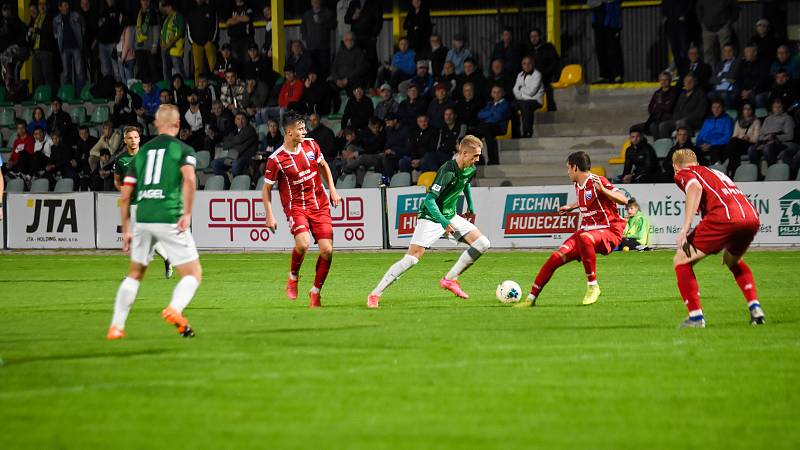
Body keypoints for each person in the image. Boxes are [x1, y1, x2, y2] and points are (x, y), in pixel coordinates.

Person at [106, 105, 202, 340]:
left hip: (143, 216)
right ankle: (174, 309)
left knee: (135, 273)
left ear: (156, 125)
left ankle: (116, 327)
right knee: (193, 273)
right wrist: (187, 213)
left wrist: (127, 228)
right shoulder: (182, 149)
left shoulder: (142, 153)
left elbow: (125, 194)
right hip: (169, 215)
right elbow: (190, 180)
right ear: (178, 125)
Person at [367, 135, 490, 308]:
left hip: (450, 215)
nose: (478, 159)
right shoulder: (447, 171)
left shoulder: (470, 168)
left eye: (478, 155)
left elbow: (466, 182)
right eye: (475, 155)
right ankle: (374, 294)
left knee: (482, 243)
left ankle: (449, 280)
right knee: (411, 259)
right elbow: (429, 200)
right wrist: (442, 222)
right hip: (432, 217)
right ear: (463, 153)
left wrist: (470, 204)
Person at [516, 151, 628, 308]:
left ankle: (593, 286)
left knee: (585, 238)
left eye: (568, 168)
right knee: (555, 257)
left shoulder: (598, 181)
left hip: (609, 230)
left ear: (575, 167)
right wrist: (571, 207)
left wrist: (603, 189)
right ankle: (530, 299)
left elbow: (624, 200)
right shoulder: (577, 184)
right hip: (587, 230)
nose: (567, 171)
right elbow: (586, 199)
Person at [670, 149, 764, 328]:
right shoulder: (716, 172)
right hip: (751, 217)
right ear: (696, 162)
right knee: (732, 260)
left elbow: (695, 188)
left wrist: (685, 228)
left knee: (681, 259)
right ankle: (755, 308)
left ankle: (696, 318)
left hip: (724, 218)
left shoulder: (684, 173)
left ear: (675, 166)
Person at [262, 111, 341, 308]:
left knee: (327, 251)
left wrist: (332, 189)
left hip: (319, 204)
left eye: (304, 127)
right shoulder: (276, 159)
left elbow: (324, 166)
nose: (304, 131)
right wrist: (269, 214)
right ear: (289, 132)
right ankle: (293, 275)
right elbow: (266, 189)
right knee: (303, 244)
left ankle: (315, 291)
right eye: (300, 129)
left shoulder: (311, 144)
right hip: (296, 207)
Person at [113, 126, 173, 278]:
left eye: (135, 137)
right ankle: (167, 258)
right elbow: (117, 181)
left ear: (139, 139)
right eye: (130, 138)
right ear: (125, 140)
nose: (133, 140)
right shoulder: (121, 160)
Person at [748, 98, 795, 173]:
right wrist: (766, 138)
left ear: (783, 107)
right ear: (772, 108)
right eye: (775, 107)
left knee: (767, 148)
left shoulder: (787, 118)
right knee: (751, 149)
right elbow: (760, 135)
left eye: (779, 107)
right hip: (765, 141)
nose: (777, 109)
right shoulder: (767, 119)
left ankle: (772, 171)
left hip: (780, 143)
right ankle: (756, 173)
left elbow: (789, 136)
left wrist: (775, 137)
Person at [656, 73, 708, 139]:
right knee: (663, 125)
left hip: (693, 121)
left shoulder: (700, 94)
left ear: (695, 82)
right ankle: (668, 145)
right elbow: (676, 110)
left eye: (690, 81)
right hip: (679, 121)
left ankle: (687, 144)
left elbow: (700, 112)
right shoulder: (682, 94)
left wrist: (685, 119)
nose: (688, 83)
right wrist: (677, 119)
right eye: (686, 81)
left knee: (683, 123)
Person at [344, 0, 383, 87]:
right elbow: (346, 19)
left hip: (370, 37)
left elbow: (379, 21)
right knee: (357, 62)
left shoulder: (375, 3)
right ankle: (358, 84)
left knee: (372, 61)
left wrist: (374, 36)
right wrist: (353, 17)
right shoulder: (353, 3)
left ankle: (372, 84)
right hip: (356, 38)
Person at [53, 0, 86, 91]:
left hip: (76, 46)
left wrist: (80, 37)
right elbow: (55, 34)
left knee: (79, 72)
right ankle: (68, 92)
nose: (66, 7)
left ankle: (80, 92)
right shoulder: (56, 19)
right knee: (66, 72)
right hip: (64, 48)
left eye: (67, 4)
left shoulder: (76, 15)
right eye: (64, 5)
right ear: (60, 8)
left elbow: (83, 26)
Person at [695, 0, 738, 67]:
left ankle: (725, 72)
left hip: (723, 26)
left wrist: (729, 22)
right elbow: (698, 8)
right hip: (707, 28)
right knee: (708, 53)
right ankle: (709, 74)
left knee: (726, 51)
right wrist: (702, 22)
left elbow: (735, 8)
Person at [590, 0, 624, 84]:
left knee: (613, 48)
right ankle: (605, 75)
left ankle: (617, 75)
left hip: (612, 21)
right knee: (600, 48)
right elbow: (590, 2)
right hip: (598, 20)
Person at [526, 27, 560, 111]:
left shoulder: (548, 47)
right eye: (531, 37)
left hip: (547, 78)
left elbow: (554, 63)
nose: (533, 38)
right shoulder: (530, 51)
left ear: (540, 36)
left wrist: (545, 74)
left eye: (535, 36)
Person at [301, 0, 336, 80]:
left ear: (321, 1)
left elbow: (334, 25)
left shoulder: (327, 12)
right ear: (311, 2)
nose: (315, 2)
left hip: (324, 48)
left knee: (324, 71)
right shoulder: (307, 14)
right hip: (311, 48)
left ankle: (324, 89)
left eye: (317, 0)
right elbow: (303, 29)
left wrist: (323, 21)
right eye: (313, 0)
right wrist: (306, 39)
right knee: (312, 71)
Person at [477, 86, 511, 165]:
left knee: (486, 129)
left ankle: (493, 160)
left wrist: (488, 116)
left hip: (499, 128)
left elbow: (497, 117)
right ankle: (479, 159)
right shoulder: (489, 104)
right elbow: (480, 115)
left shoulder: (505, 104)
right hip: (488, 127)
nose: (496, 94)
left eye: (498, 92)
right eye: (494, 92)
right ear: (491, 94)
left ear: (502, 93)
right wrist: (492, 112)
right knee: (474, 133)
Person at [723, 102, 760, 177]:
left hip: (749, 144)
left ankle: (730, 168)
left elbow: (756, 138)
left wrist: (748, 138)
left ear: (752, 110)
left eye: (749, 109)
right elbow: (734, 136)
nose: (747, 111)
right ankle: (733, 169)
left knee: (732, 144)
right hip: (738, 144)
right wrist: (741, 137)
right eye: (745, 109)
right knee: (733, 145)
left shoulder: (756, 122)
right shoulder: (738, 122)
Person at [187, 0, 218, 85]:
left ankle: (216, 85)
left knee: (213, 66)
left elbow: (215, 25)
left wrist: (211, 40)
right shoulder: (191, 11)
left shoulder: (211, 9)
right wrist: (192, 41)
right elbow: (188, 26)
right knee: (197, 68)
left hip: (209, 42)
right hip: (196, 43)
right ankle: (198, 87)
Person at [512, 56, 544, 138]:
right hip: (521, 100)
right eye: (524, 63)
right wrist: (522, 91)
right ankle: (515, 133)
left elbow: (532, 92)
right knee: (511, 106)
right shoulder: (520, 75)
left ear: (533, 64)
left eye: (529, 63)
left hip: (536, 101)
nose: (526, 65)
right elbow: (515, 90)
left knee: (525, 105)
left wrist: (521, 88)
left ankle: (527, 132)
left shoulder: (537, 74)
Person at [641, 71, 680, 138]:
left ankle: (665, 144)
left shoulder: (674, 92)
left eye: (666, 80)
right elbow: (650, 108)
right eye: (661, 80)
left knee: (662, 126)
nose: (663, 82)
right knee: (652, 125)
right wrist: (661, 106)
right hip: (657, 118)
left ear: (670, 80)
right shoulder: (657, 93)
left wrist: (658, 105)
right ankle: (658, 145)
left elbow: (668, 108)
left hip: (669, 119)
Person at [695, 100, 734, 164]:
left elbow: (727, 137)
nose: (716, 109)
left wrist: (711, 144)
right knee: (691, 151)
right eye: (714, 107)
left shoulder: (727, 120)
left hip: (719, 146)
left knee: (714, 149)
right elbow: (700, 136)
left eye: (718, 107)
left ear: (722, 108)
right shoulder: (707, 121)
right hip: (705, 146)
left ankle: (716, 168)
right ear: (711, 109)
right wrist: (700, 144)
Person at [29, 0, 57, 89]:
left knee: (47, 75)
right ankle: (39, 97)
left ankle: (51, 97)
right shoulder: (36, 19)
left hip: (46, 50)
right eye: (40, 4)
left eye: (44, 4)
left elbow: (49, 33)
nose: (42, 6)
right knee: (36, 77)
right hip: (35, 51)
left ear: (47, 6)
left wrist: (36, 30)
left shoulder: (50, 18)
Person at [134, 0, 160, 83]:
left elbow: (156, 29)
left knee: (153, 70)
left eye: (147, 0)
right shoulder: (137, 14)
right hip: (138, 47)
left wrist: (155, 45)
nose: (145, 2)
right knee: (142, 71)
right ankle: (144, 91)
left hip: (150, 48)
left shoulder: (153, 13)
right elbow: (134, 30)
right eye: (143, 0)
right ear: (140, 2)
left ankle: (156, 90)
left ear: (149, 2)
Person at [707, 43, 740, 110]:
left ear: (733, 51)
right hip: (717, 89)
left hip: (730, 90)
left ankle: (727, 114)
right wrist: (724, 79)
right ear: (723, 53)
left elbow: (733, 75)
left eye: (729, 51)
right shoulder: (720, 64)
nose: (727, 53)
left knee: (724, 95)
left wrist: (720, 74)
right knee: (709, 94)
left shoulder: (738, 62)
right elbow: (711, 80)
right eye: (725, 51)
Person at [159, 0, 186, 80]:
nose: (164, 9)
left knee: (179, 71)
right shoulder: (167, 18)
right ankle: (167, 89)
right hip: (165, 49)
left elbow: (180, 33)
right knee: (166, 71)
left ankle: (184, 88)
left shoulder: (179, 16)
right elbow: (162, 33)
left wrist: (169, 45)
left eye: (165, 7)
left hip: (175, 50)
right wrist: (161, 44)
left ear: (170, 7)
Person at [97, 0, 122, 81]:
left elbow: (120, 27)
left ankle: (119, 91)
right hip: (102, 44)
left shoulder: (118, 11)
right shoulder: (101, 10)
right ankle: (108, 90)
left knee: (116, 70)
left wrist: (117, 41)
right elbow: (98, 26)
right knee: (105, 70)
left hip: (113, 43)